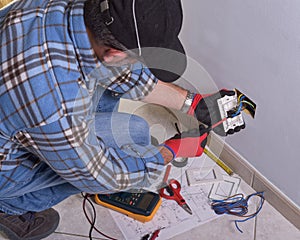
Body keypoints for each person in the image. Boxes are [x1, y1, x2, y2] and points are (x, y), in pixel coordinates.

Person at [0, 0, 243, 239]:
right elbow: (99, 176)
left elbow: (120, 68)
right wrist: (172, 149)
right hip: (6, 163)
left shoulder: (69, 10)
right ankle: (8, 208)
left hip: (17, 102)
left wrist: (193, 103)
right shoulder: (53, 103)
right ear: (113, 54)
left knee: (119, 115)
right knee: (131, 140)